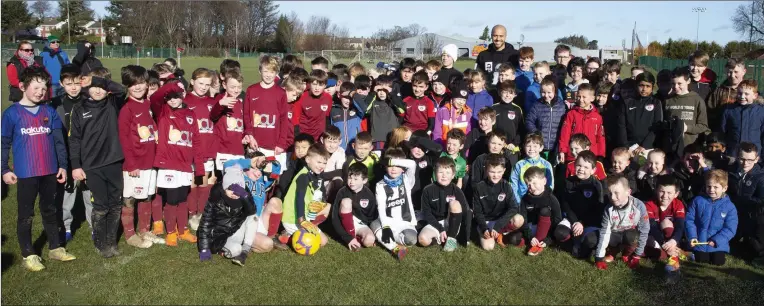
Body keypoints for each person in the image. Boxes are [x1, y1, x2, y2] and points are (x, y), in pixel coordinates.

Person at [2, 67, 75, 271]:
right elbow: (3, 143)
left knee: (50, 210)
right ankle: (29, 253)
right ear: (23, 87)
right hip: (26, 173)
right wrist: (4, 169)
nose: (40, 92)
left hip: (50, 171)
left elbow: (59, 142)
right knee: (26, 214)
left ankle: (55, 247)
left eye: (44, 88)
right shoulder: (11, 114)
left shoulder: (49, 112)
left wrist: (62, 166)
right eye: (36, 87)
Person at [68, 76, 126, 258]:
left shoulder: (111, 103)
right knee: (101, 205)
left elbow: (121, 89)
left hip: (114, 162)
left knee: (116, 204)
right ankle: (100, 243)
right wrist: (76, 166)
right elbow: (74, 140)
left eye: (101, 87)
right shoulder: (79, 109)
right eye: (94, 88)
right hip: (92, 165)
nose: (98, 91)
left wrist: (95, 79)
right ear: (86, 89)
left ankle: (112, 241)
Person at [150, 79, 203, 247]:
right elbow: (155, 98)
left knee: (182, 199)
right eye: (170, 96)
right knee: (171, 200)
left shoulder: (191, 115)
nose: (173, 99)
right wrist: (173, 85)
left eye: (176, 96)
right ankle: (171, 232)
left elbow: (196, 142)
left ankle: (183, 230)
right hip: (169, 165)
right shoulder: (164, 111)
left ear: (183, 96)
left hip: (186, 166)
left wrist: (199, 166)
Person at [117, 65, 160, 249]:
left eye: (141, 83)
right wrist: (131, 163)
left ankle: (144, 229)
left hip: (150, 161)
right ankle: (130, 234)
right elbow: (124, 139)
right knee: (130, 198)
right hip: (135, 164)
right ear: (127, 86)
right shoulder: (126, 109)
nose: (137, 87)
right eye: (132, 84)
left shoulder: (149, 104)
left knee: (147, 197)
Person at [49, 64, 93, 241]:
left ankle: (94, 226)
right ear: (61, 83)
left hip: (88, 156)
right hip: (66, 156)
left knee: (90, 195)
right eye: (68, 84)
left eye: (76, 82)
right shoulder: (55, 103)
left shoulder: (89, 100)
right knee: (67, 196)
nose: (73, 87)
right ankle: (66, 226)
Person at [197, 165, 254, 265]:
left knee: (253, 217)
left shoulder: (243, 195)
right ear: (224, 188)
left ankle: (245, 251)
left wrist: (244, 195)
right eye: (230, 189)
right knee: (236, 249)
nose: (234, 193)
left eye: (238, 190)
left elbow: (251, 211)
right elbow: (205, 224)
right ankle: (222, 251)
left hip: (235, 230)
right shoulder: (216, 197)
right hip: (220, 237)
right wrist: (205, 249)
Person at [243, 55, 292, 169]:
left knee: (273, 179)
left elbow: (284, 120)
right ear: (260, 71)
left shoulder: (280, 93)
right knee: (254, 175)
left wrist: (281, 143)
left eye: (272, 71)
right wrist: (250, 135)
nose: (268, 75)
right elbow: (246, 115)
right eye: (265, 71)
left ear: (276, 73)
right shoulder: (251, 90)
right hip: (255, 144)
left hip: (274, 146)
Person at [555, 151, 606, 258]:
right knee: (560, 233)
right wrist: (575, 222)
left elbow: (597, 209)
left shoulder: (597, 185)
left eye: (586, 167)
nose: (581, 169)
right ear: (574, 165)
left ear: (593, 170)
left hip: (589, 221)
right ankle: (571, 243)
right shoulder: (568, 182)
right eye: (578, 165)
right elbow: (565, 205)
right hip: (572, 219)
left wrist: (582, 223)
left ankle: (583, 246)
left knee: (591, 240)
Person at [593, 175, 650, 270]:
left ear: (628, 192)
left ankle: (628, 255)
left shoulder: (639, 206)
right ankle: (613, 253)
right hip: (615, 234)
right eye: (610, 193)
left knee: (633, 236)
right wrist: (598, 258)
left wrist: (637, 255)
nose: (613, 197)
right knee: (608, 236)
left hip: (630, 234)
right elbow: (605, 232)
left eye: (616, 193)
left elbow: (644, 230)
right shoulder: (608, 209)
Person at [185, 68, 218, 231]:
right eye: (200, 83)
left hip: (207, 150)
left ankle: (201, 213)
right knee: (193, 183)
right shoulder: (185, 100)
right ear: (192, 82)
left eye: (207, 84)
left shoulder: (212, 103)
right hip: (191, 150)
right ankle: (192, 214)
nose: (204, 87)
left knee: (203, 183)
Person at [281, 144, 331, 246]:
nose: (321, 166)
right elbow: (299, 198)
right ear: (308, 159)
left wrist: (321, 203)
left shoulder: (314, 174)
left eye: (324, 163)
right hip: (293, 219)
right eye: (319, 162)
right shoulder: (303, 176)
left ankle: (292, 235)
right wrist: (302, 220)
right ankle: (289, 236)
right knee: (316, 243)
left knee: (324, 240)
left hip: (305, 215)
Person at [686, 169, 738, 266]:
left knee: (718, 262)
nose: (711, 190)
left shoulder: (730, 207)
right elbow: (689, 220)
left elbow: (730, 228)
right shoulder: (697, 201)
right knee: (701, 260)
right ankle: (691, 252)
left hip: (718, 243)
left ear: (724, 188)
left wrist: (716, 240)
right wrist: (692, 236)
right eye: (709, 186)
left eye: (715, 187)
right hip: (699, 241)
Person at [375, 147, 418, 260]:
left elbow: (412, 164)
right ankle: (395, 248)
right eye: (390, 166)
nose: (393, 168)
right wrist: (386, 227)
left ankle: (387, 240)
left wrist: (391, 161)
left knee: (411, 239)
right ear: (385, 167)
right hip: (388, 222)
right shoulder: (380, 185)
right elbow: (381, 208)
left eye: (397, 165)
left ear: (403, 168)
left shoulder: (407, 180)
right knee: (375, 225)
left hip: (405, 222)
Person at [472, 154, 523, 250]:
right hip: (486, 222)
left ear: (504, 171)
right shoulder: (479, 187)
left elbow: (514, 207)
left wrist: (498, 225)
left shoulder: (506, 186)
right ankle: (492, 234)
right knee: (489, 247)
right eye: (492, 172)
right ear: (486, 170)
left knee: (519, 219)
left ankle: (501, 233)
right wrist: (484, 228)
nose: (496, 175)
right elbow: (477, 212)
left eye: (499, 171)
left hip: (500, 222)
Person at [418, 157, 468, 252]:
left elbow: (465, 211)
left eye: (448, 173)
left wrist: (466, 236)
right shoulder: (427, 190)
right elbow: (427, 213)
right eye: (440, 172)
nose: (444, 176)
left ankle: (452, 238)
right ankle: (441, 239)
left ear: (453, 175)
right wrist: (440, 229)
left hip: (452, 222)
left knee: (455, 204)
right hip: (435, 223)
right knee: (422, 240)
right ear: (435, 174)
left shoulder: (456, 190)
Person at [726, 142, 764, 264]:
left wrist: (741, 199)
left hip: (752, 217)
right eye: (742, 159)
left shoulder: (761, 177)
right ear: (737, 157)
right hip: (733, 215)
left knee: (754, 249)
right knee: (730, 247)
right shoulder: (730, 172)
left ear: (757, 159)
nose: (745, 163)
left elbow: (761, 201)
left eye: (750, 160)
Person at [332, 163, 380, 251]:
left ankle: (357, 238)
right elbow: (334, 217)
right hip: (344, 223)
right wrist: (347, 237)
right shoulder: (342, 192)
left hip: (360, 225)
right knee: (346, 202)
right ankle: (350, 237)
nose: (352, 181)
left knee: (369, 240)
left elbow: (371, 217)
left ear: (364, 180)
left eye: (356, 179)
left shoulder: (369, 195)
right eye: (350, 178)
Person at [644, 175, 686, 272]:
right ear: (656, 191)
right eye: (662, 191)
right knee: (654, 253)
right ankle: (677, 253)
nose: (665, 196)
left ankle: (674, 259)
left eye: (669, 193)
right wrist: (663, 243)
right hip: (656, 237)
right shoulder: (649, 204)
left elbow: (680, 225)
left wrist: (674, 240)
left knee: (666, 223)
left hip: (671, 239)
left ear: (676, 194)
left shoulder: (678, 204)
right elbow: (652, 226)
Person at [617, 71, 662, 156]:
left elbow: (657, 126)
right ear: (636, 86)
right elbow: (621, 126)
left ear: (652, 87)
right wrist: (626, 146)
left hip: (647, 148)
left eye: (648, 86)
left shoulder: (656, 102)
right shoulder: (627, 103)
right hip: (629, 148)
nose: (644, 89)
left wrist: (645, 145)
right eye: (641, 85)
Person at [520, 166, 562, 256]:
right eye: (528, 185)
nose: (532, 187)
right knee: (514, 239)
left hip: (546, 230)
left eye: (535, 183)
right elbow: (523, 220)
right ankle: (532, 241)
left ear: (544, 181)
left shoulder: (552, 199)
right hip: (531, 228)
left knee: (545, 211)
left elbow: (557, 220)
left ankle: (539, 244)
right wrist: (530, 236)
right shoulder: (524, 199)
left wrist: (549, 239)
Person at [558, 83, 605, 163]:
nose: (581, 99)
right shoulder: (571, 114)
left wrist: (600, 155)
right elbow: (565, 134)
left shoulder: (597, 117)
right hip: (573, 155)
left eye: (584, 97)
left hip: (590, 155)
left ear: (592, 98)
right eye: (579, 97)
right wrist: (562, 150)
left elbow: (600, 137)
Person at [210, 70, 246, 171]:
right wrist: (221, 104)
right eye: (233, 87)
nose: (236, 90)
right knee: (226, 182)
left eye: (239, 87)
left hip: (238, 150)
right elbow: (213, 116)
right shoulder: (220, 99)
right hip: (223, 150)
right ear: (224, 85)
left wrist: (244, 136)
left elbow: (242, 125)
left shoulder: (240, 103)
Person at [664, 67, 709, 147]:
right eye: (673, 83)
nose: (676, 87)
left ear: (688, 81)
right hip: (670, 147)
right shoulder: (668, 100)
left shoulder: (697, 100)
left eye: (679, 83)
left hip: (689, 147)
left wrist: (686, 128)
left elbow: (703, 126)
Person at [526, 76, 566, 162]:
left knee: (552, 170)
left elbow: (565, 125)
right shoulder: (537, 105)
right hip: (540, 145)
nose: (546, 95)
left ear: (555, 92)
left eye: (549, 92)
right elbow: (529, 121)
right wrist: (536, 132)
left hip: (555, 145)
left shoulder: (561, 106)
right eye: (543, 92)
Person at [721, 79, 764, 157]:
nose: (742, 96)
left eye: (746, 94)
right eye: (740, 93)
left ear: (755, 96)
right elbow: (722, 131)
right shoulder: (729, 110)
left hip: (753, 156)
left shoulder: (761, 112)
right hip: (732, 154)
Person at [511, 133, 554, 203]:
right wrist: (518, 201)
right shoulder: (519, 165)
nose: (531, 149)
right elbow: (513, 184)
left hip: (541, 200)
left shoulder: (546, 165)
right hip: (522, 201)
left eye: (535, 146)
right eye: (528, 146)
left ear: (541, 148)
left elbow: (550, 184)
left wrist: (545, 199)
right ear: (524, 147)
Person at [707, 58, 747, 130]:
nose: (732, 75)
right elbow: (710, 113)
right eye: (729, 72)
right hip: (721, 134)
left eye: (736, 72)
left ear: (744, 71)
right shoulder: (718, 91)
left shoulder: (749, 92)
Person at [298, 70, 333, 141]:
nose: (317, 88)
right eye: (314, 84)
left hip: (320, 138)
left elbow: (327, 118)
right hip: (304, 137)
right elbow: (296, 119)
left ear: (325, 85)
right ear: (309, 84)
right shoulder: (302, 97)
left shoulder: (328, 98)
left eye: (320, 85)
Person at [492, 80, 524, 159]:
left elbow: (521, 130)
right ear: (499, 93)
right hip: (497, 147)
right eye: (505, 92)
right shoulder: (493, 108)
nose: (507, 95)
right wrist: (498, 143)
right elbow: (490, 128)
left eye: (510, 93)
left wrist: (514, 143)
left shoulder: (517, 109)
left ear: (515, 95)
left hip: (512, 148)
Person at [433, 81, 471, 146]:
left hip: (460, 149)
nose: (461, 102)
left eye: (464, 100)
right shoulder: (442, 111)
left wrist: (463, 149)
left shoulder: (468, 113)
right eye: (459, 99)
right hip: (444, 147)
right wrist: (439, 148)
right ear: (453, 98)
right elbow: (437, 132)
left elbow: (468, 133)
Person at [330, 82, 364, 150]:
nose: (348, 101)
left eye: (350, 98)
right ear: (339, 95)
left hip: (355, 148)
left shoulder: (357, 109)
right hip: (339, 149)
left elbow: (364, 107)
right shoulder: (333, 110)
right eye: (346, 97)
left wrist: (353, 94)